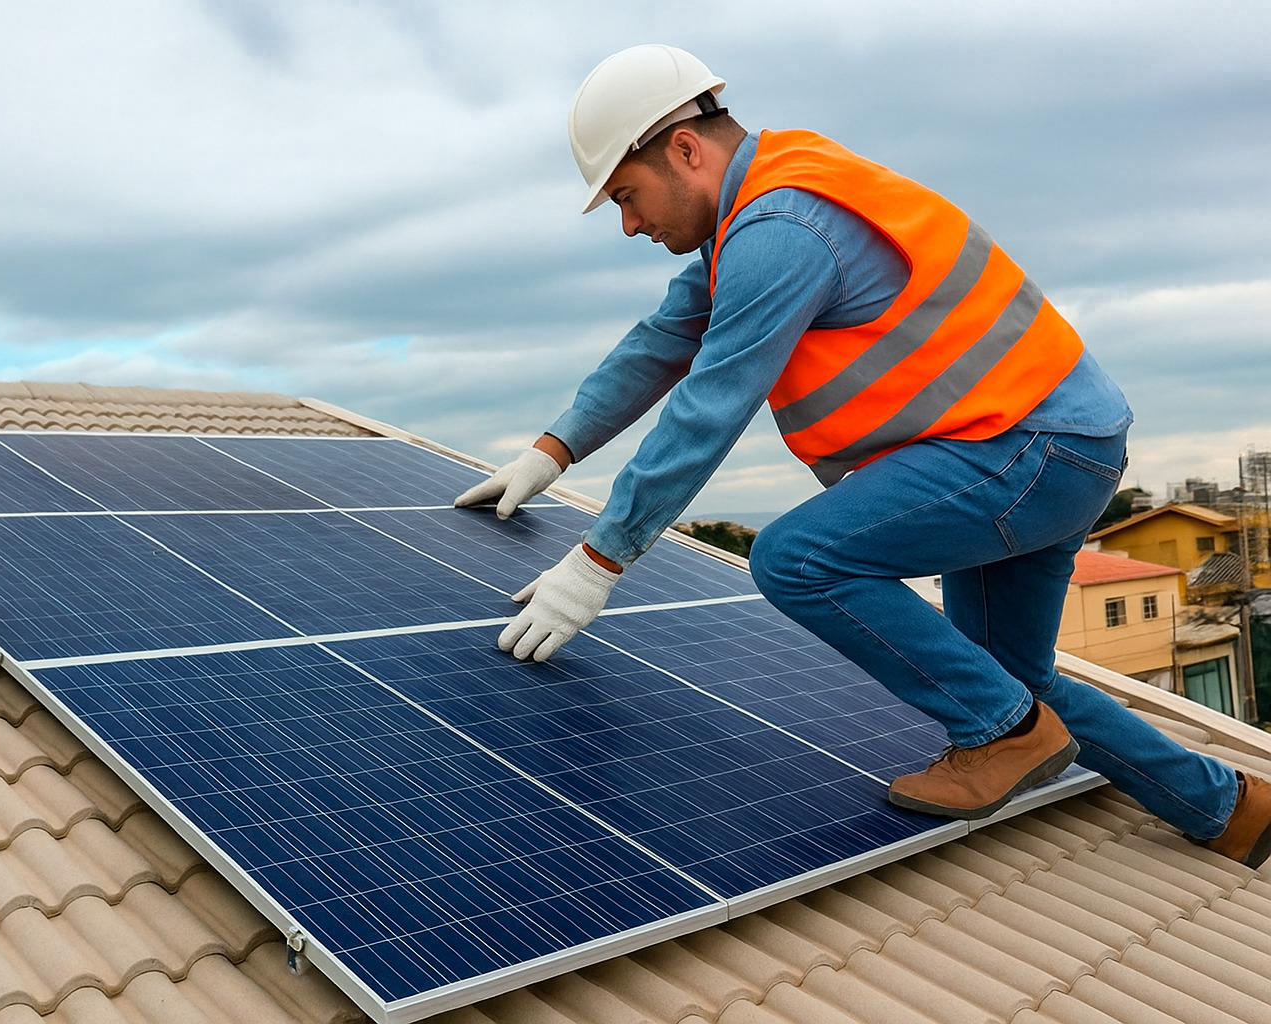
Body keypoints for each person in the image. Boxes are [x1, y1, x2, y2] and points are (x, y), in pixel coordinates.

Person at [453, 43, 1271, 867]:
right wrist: (551, 452)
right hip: (1053, 444)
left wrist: (598, 562)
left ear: (684, 149)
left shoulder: (781, 230)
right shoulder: (772, 198)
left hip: (1021, 449)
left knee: (798, 558)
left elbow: (710, 404)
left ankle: (1000, 736)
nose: (630, 224)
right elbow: (664, 339)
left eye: (627, 196)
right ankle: (1229, 806)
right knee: (1012, 682)